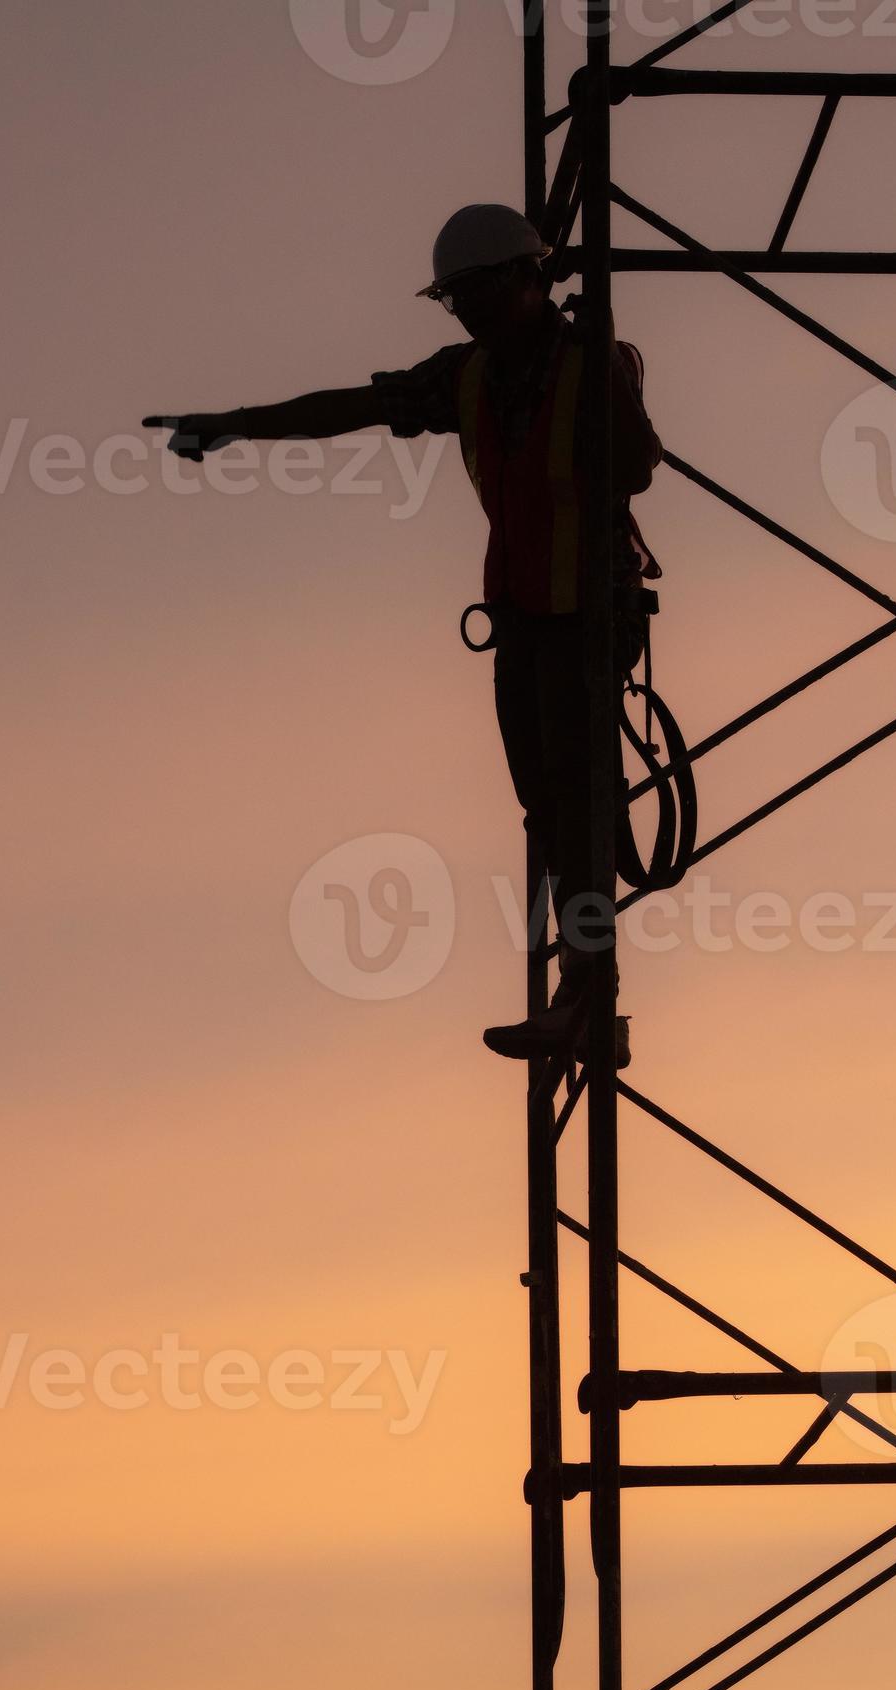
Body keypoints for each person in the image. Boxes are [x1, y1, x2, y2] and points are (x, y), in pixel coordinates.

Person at [148, 202, 663, 1059]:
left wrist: (602, 354)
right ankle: (583, 994)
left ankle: (587, 996)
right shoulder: (467, 376)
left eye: (477, 293)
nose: (466, 312)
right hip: (524, 619)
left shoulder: (592, 362)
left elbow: (638, 464)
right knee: (548, 804)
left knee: (578, 803)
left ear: (525, 281)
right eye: (454, 299)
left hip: (589, 615)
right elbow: (352, 406)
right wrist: (241, 423)